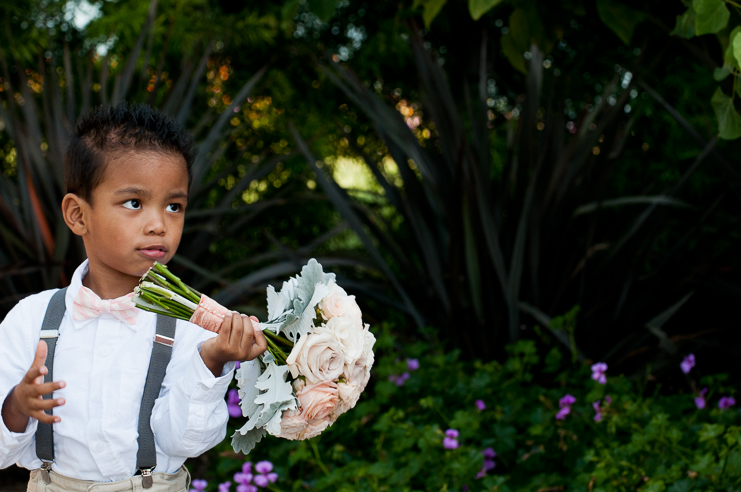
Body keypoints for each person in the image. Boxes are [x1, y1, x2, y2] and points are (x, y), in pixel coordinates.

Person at [0, 103, 268, 491]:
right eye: (134, 203)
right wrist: (17, 407)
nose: (159, 224)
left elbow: (187, 443)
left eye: (174, 206)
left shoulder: (191, 325)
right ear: (78, 215)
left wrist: (209, 363)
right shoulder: (30, 320)